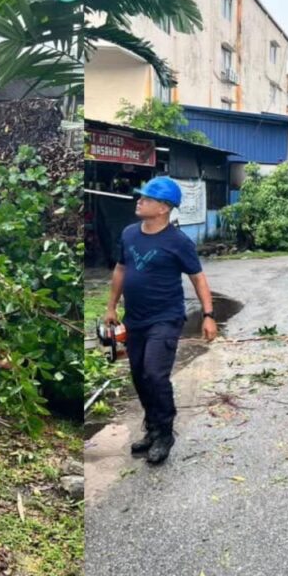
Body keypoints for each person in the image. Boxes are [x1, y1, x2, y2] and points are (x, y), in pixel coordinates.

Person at [103, 177, 218, 465]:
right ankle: (152, 428)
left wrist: (208, 315)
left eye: (146, 198)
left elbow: (198, 278)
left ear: (164, 208)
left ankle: (165, 432)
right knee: (139, 376)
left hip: (165, 319)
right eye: (140, 197)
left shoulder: (178, 242)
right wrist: (111, 307)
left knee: (155, 374)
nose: (139, 201)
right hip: (135, 319)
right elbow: (120, 268)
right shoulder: (129, 234)